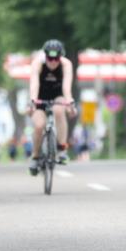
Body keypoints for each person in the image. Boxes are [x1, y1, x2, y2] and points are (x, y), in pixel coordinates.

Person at [28, 39, 76, 174]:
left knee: (59, 110)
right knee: (39, 125)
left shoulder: (66, 64)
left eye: (56, 58)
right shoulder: (38, 63)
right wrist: (32, 100)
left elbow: (66, 87)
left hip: (57, 95)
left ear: (60, 56)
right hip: (40, 96)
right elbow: (34, 83)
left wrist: (70, 102)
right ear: (45, 56)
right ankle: (35, 156)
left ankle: (62, 148)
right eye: (50, 58)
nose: (53, 62)